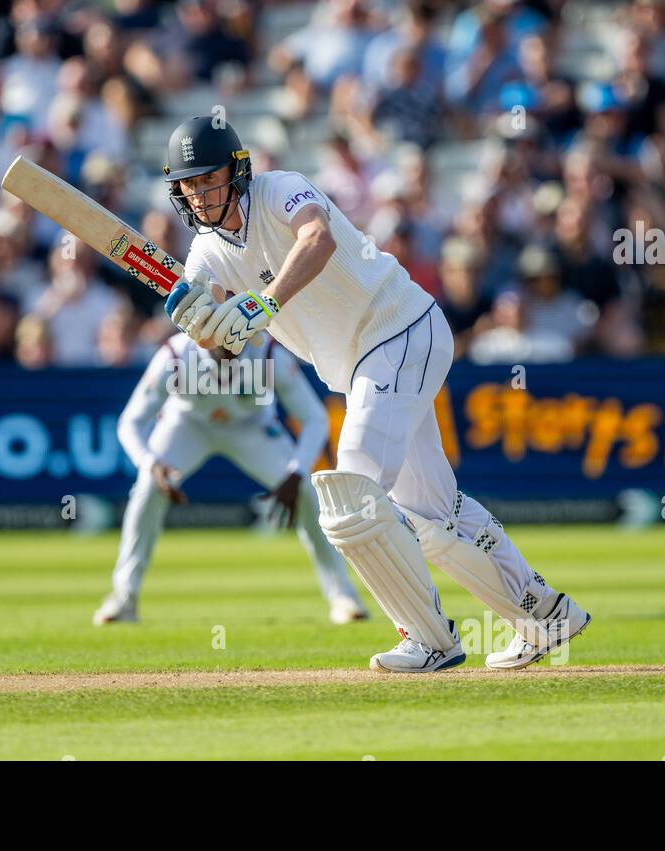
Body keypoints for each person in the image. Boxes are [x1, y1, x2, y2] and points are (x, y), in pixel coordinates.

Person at [160, 116, 591, 672]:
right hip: (368, 362)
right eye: (188, 185)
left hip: (399, 328)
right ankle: (543, 616)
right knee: (436, 516)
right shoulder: (204, 257)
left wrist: (262, 303)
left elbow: (318, 237)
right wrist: (206, 331)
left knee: (351, 495)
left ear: (238, 171)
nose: (199, 194)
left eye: (209, 179)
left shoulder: (280, 188)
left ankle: (429, 638)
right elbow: (227, 348)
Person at [95, 333, 367, 626]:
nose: (230, 346)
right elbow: (130, 422)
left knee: (305, 493)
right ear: (201, 337)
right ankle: (125, 597)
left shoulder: (269, 354)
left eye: (235, 336)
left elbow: (315, 417)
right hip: (188, 425)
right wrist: (150, 464)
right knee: (148, 489)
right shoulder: (174, 356)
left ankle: (342, 595)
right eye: (220, 337)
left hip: (252, 428)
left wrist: (297, 472)